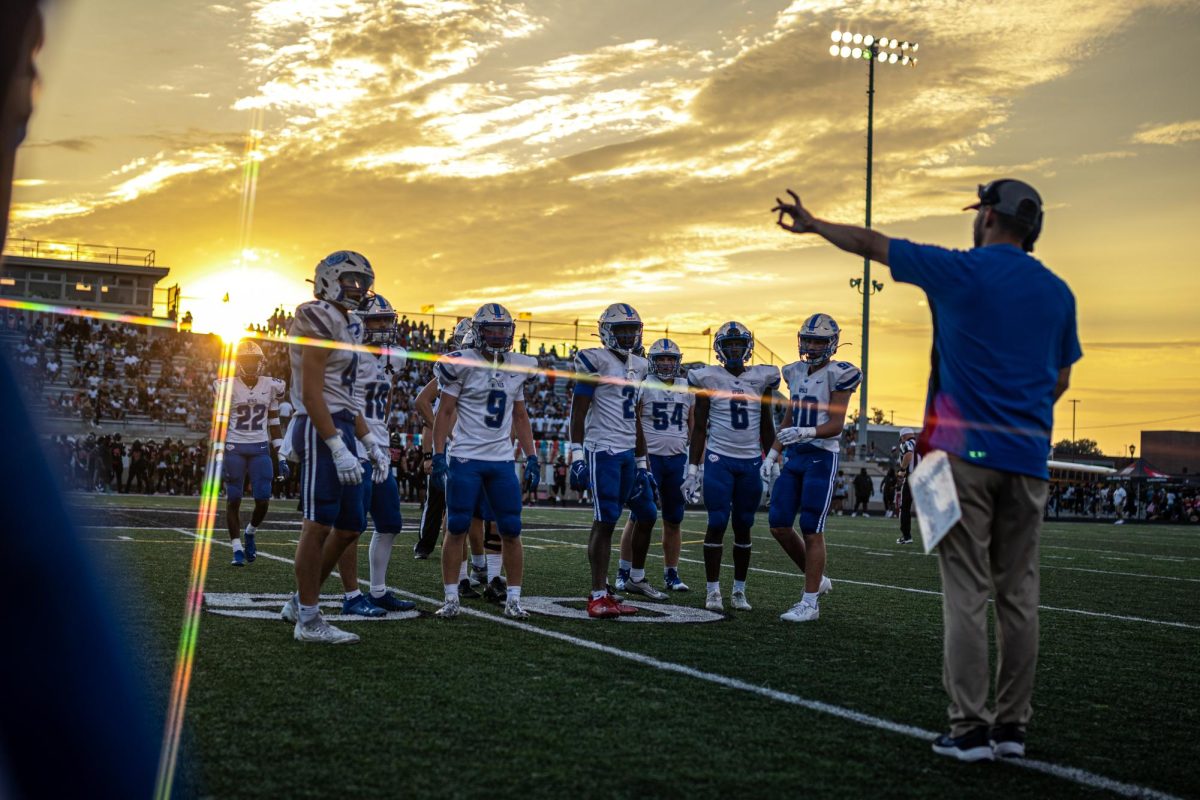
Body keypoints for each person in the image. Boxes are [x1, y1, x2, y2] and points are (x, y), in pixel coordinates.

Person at [773, 178, 1080, 762]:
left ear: (987, 215)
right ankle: (1012, 728)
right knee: (1019, 597)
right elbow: (1060, 379)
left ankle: (969, 728)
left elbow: (873, 242)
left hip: (955, 454)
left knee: (964, 593)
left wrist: (814, 225)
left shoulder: (960, 269)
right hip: (1027, 455)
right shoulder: (1058, 292)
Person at [279, 250, 381, 644]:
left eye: (363, 281)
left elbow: (344, 394)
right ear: (327, 279)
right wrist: (336, 445)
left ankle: (299, 602)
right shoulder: (315, 314)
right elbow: (312, 391)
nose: (358, 288)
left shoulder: (351, 324)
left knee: (351, 525)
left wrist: (368, 439)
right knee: (319, 523)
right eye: (350, 279)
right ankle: (308, 619)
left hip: (341, 421)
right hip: (317, 423)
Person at [431, 303, 538, 619]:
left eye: (503, 330)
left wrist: (531, 456)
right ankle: (451, 597)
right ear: (478, 332)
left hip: (502, 459)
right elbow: (445, 412)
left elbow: (520, 415)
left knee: (511, 528)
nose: (498, 335)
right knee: (458, 525)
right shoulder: (461, 363)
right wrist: (438, 454)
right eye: (491, 329)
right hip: (466, 457)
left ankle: (514, 599)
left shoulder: (517, 366)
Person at [763, 314, 855, 622]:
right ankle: (818, 579)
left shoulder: (839, 374)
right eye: (808, 339)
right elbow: (790, 417)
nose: (812, 346)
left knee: (812, 528)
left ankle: (810, 602)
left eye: (819, 341)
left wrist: (807, 432)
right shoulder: (795, 371)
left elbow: (836, 425)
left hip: (820, 456)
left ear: (831, 344)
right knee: (778, 523)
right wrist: (773, 453)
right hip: (795, 456)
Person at [683, 321, 779, 612]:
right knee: (716, 522)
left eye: (739, 344)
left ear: (747, 347)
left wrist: (774, 461)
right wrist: (693, 469)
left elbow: (766, 423)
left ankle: (739, 590)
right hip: (719, 459)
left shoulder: (762, 379)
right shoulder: (707, 378)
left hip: (750, 461)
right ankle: (713, 590)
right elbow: (699, 427)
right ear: (720, 349)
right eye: (729, 345)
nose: (735, 349)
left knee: (744, 526)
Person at [569, 304, 658, 618]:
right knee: (604, 521)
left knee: (613, 519)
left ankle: (604, 590)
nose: (629, 335)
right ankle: (597, 594)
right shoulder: (594, 359)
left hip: (625, 453)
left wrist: (642, 462)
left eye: (632, 329)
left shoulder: (640, 365)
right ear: (607, 331)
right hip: (601, 449)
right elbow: (578, 411)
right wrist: (577, 455)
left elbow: (633, 415)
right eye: (622, 329)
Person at [348, 293, 416, 614]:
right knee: (350, 526)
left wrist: (383, 435)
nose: (384, 327)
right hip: (355, 446)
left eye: (387, 321)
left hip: (380, 448)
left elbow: (385, 399)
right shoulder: (348, 355)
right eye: (377, 320)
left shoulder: (395, 356)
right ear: (360, 322)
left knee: (389, 523)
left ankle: (377, 590)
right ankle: (350, 595)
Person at [620, 338, 694, 591]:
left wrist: (694, 463)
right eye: (660, 358)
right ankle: (624, 569)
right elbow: (633, 420)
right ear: (652, 362)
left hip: (676, 459)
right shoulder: (644, 385)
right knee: (638, 515)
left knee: (674, 519)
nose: (665, 363)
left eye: (670, 359)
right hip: (650, 460)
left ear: (677, 361)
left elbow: (692, 425)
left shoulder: (687, 387)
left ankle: (671, 573)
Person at [214, 339, 287, 566]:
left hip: (260, 448)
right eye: (246, 360)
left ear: (261, 362)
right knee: (233, 498)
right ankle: (236, 548)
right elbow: (221, 423)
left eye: (253, 360)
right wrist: (217, 456)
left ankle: (250, 532)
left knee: (263, 500)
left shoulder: (271, 386)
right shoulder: (227, 386)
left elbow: (274, 424)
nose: (250, 364)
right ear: (238, 362)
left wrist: (281, 456)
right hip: (235, 447)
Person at [895, 428, 919, 544]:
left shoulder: (906, 443)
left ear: (903, 436)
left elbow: (909, 454)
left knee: (905, 507)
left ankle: (906, 536)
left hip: (912, 478)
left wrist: (902, 470)